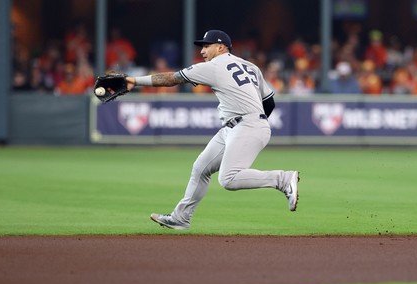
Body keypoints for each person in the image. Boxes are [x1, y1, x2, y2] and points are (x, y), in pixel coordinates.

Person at [125, 30, 300, 230]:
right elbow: (269, 103)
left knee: (228, 179)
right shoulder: (250, 66)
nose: (202, 51)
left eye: (207, 46)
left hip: (246, 125)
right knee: (201, 168)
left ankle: (283, 179)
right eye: (202, 46)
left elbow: (172, 78)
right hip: (239, 126)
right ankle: (181, 217)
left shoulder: (213, 67)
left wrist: (135, 81)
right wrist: (255, 120)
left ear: (221, 47)